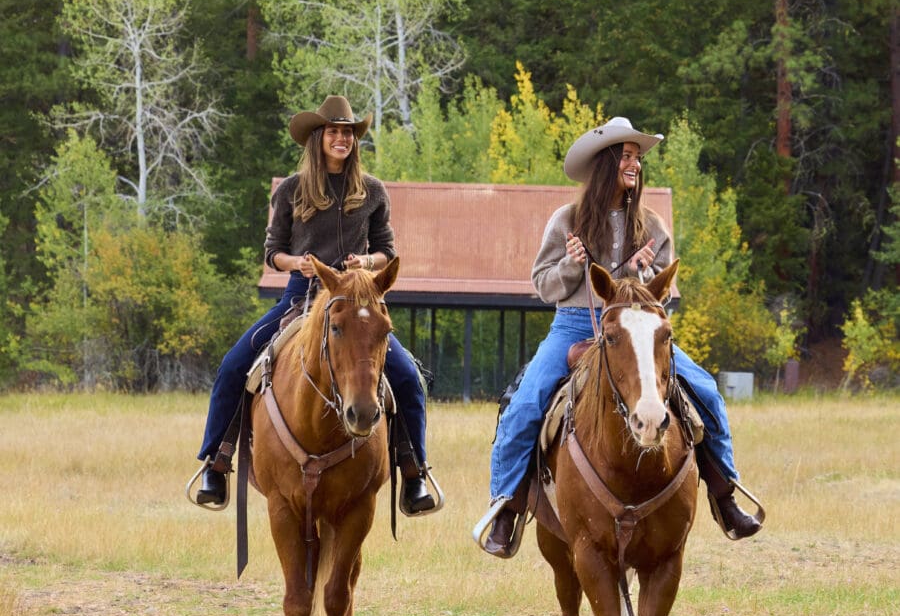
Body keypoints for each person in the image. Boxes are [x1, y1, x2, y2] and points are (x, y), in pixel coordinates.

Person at [480, 116, 763, 557]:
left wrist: (644, 276)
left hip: (640, 330)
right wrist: (572, 266)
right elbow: (543, 285)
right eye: (626, 156)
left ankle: (725, 496)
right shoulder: (566, 220)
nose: (634, 164)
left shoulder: (651, 225)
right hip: (573, 325)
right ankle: (506, 508)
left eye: (636, 157)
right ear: (606, 162)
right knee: (527, 401)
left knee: (705, 390)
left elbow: (665, 298)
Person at [194, 95, 437, 516]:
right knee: (235, 365)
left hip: (355, 299)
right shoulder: (291, 189)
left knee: (408, 377)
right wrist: (299, 263)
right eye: (334, 131)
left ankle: (414, 471)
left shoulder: (374, 191)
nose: (342, 138)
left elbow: (386, 252)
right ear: (318, 137)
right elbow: (273, 253)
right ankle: (217, 462)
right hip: (301, 296)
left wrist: (366, 262)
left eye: (348, 132)